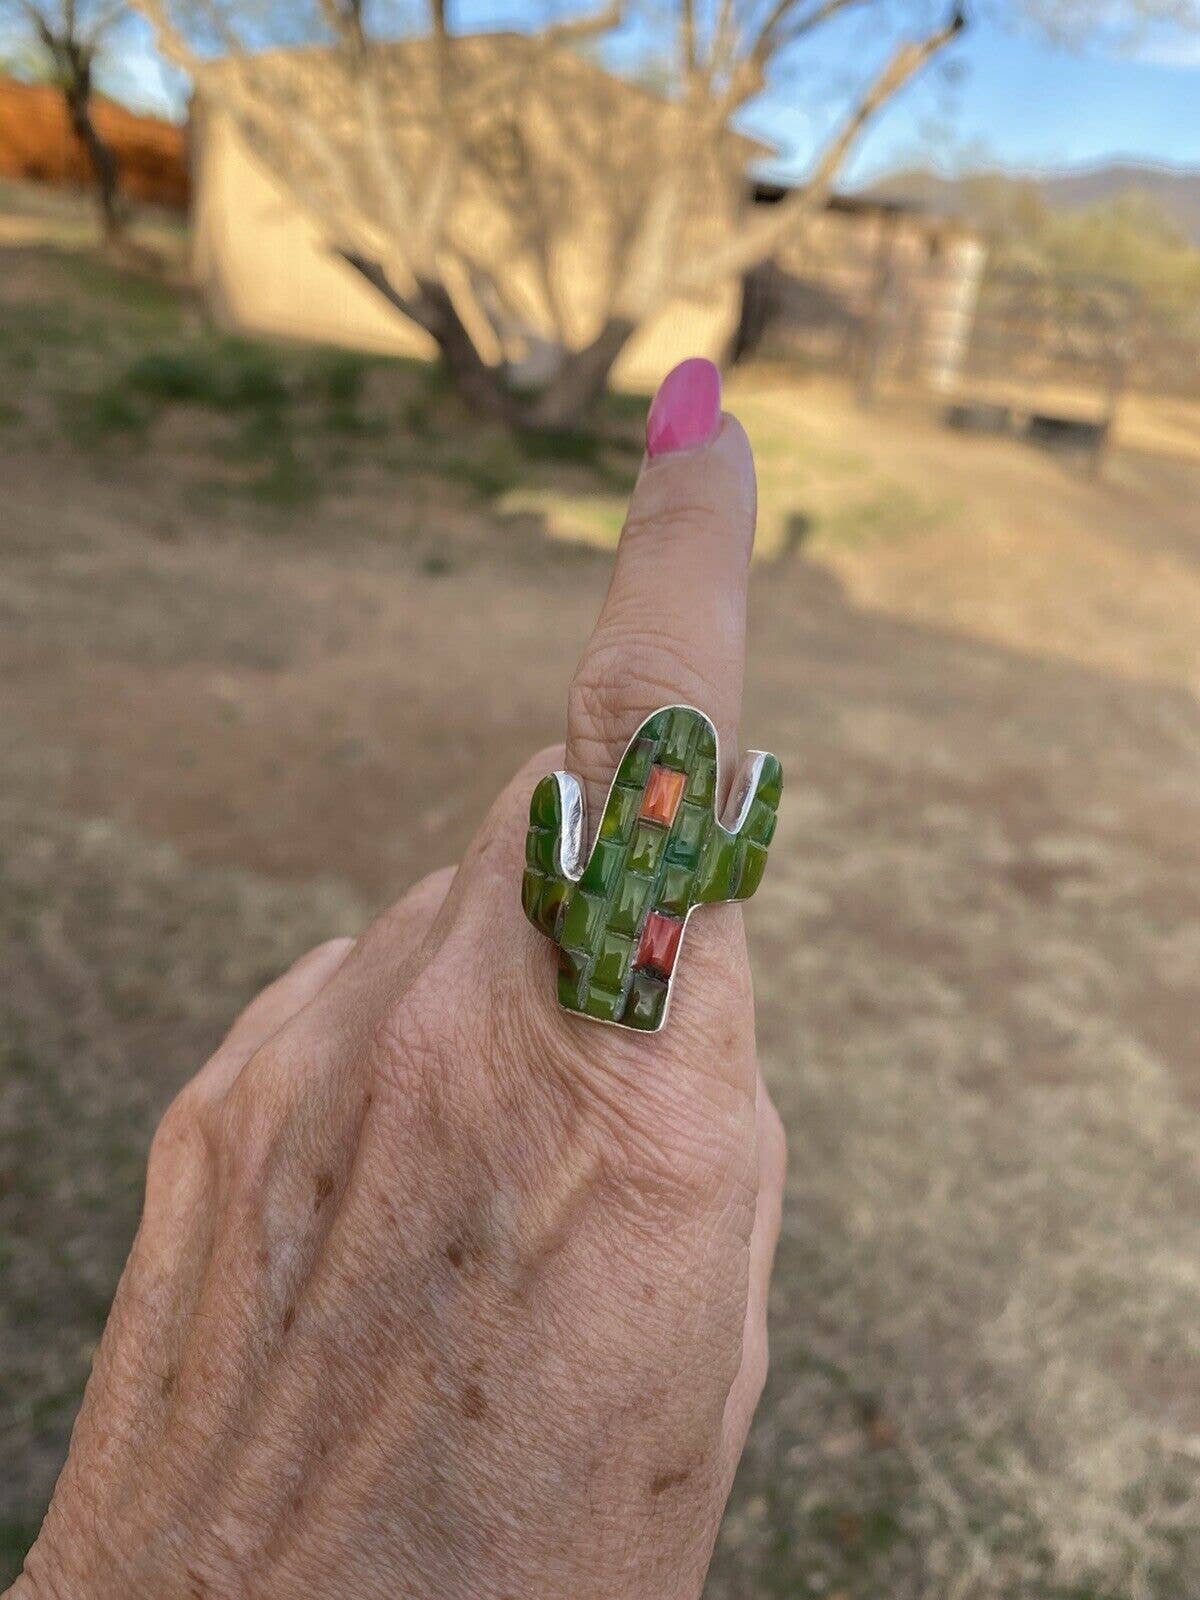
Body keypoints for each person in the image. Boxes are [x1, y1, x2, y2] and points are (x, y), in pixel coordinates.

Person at [9, 358, 786, 1600]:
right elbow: (599, 863)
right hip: (624, 928)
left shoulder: (674, 849)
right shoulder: (658, 852)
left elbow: (650, 857)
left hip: (634, 931)